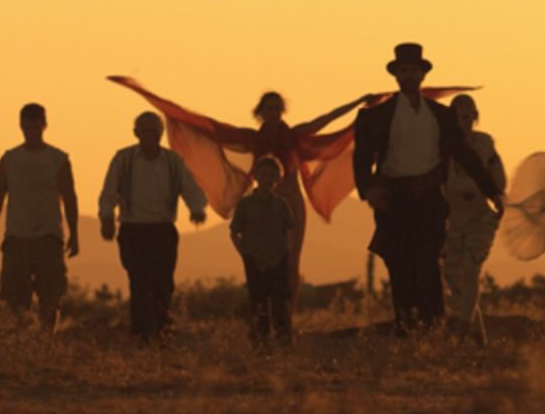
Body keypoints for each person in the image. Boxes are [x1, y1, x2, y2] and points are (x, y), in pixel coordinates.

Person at [107, 77, 374, 307]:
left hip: (291, 202)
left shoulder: (296, 135)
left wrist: (359, 102)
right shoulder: (252, 138)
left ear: (282, 110)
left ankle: (286, 317)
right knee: (260, 260)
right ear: (261, 111)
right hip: (260, 205)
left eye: (276, 107)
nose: (273, 112)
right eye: (268, 108)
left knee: (290, 261)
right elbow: (212, 128)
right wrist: (165, 107)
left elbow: (328, 119)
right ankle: (263, 313)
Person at [353, 43, 503, 334]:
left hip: (429, 200)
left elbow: (464, 155)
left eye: (413, 71)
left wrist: (491, 191)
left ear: (422, 76)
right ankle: (407, 331)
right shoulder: (375, 117)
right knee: (400, 267)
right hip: (393, 200)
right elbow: (361, 159)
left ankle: (432, 333)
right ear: (396, 77)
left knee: (429, 267)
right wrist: (369, 191)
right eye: (404, 71)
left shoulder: (440, 116)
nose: (409, 76)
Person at [98, 111, 208, 340]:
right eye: (144, 130)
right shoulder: (123, 159)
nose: (149, 135)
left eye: (154, 130)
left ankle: (162, 331)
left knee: (163, 283)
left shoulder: (173, 161)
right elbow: (109, 192)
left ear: (161, 133)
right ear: (136, 133)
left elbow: (190, 188)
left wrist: (197, 209)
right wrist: (106, 218)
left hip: (162, 230)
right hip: (133, 229)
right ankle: (141, 335)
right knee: (138, 281)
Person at [0, 103, 80, 330]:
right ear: (21, 127)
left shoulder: (58, 159)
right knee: (15, 297)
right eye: (28, 127)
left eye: (36, 127)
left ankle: (47, 339)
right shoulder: (10, 159)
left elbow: (69, 197)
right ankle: (21, 340)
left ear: (44, 125)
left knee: (51, 296)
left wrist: (75, 232)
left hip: (48, 237)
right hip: (17, 237)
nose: (32, 132)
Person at [442, 94, 506, 337]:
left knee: (471, 269)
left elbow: (499, 181)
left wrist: (485, 189)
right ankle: (478, 335)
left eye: (468, 118)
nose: (464, 123)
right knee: (453, 278)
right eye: (459, 118)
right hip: (452, 222)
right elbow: (447, 182)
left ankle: (463, 330)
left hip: (480, 219)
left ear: (475, 117)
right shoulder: (442, 147)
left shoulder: (485, 144)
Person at [230, 156, 295, 346]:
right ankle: (260, 345)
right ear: (256, 176)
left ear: (278, 179)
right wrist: (246, 255)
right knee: (258, 305)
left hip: (278, 261)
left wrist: (283, 255)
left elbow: (289, 232)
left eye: (273, 176)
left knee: (280, 305)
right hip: (254, 262)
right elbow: (234, 234)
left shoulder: (281, 205)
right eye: (265, 175)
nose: (268, 179)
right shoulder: (245, 205)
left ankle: (284, 344)